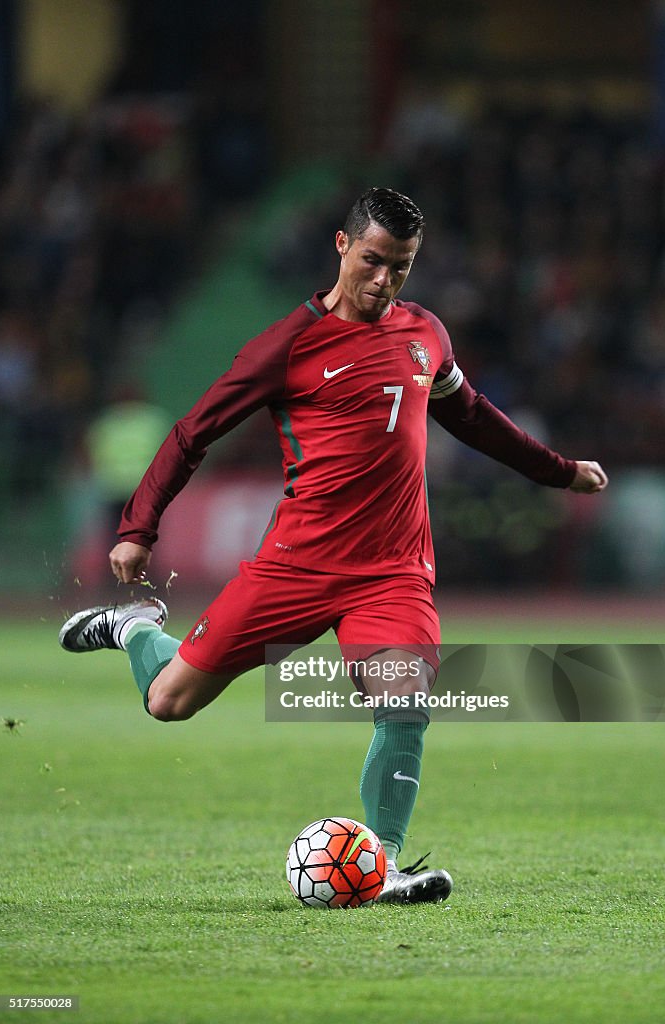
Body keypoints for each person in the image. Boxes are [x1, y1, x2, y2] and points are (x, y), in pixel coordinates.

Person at [59, 187, 608, 904]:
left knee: (404, 699)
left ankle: (378, 866)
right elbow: (194, 433)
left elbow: (470, 416)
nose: (384, 282)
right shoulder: (284, 346)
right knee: (168, 702)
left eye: (401, 268)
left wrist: (557, 470)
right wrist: (138, 526)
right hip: (295, 564)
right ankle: (136, 630)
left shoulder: (425, 335)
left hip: (392, 572)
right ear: (342, 247)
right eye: (374, 262)